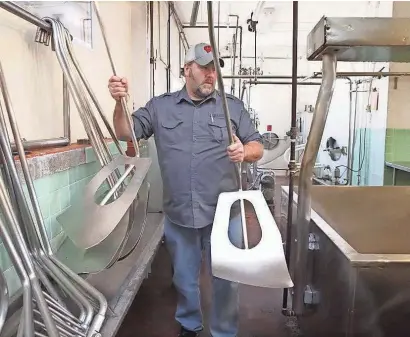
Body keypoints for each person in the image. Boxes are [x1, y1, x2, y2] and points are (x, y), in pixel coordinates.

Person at [108, 42, 263, 337]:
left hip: (224, 212)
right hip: (180, 212)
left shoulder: (231, 106)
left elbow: (258, 145)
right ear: (187, 69)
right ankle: (190, 325)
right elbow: (124, 132)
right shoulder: (160, 107)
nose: (211, 75)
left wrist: (245, 151)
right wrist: (119, 102)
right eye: (204, 67)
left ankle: (224, 332)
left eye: (214, 70)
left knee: (227, 279)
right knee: (184, 278)